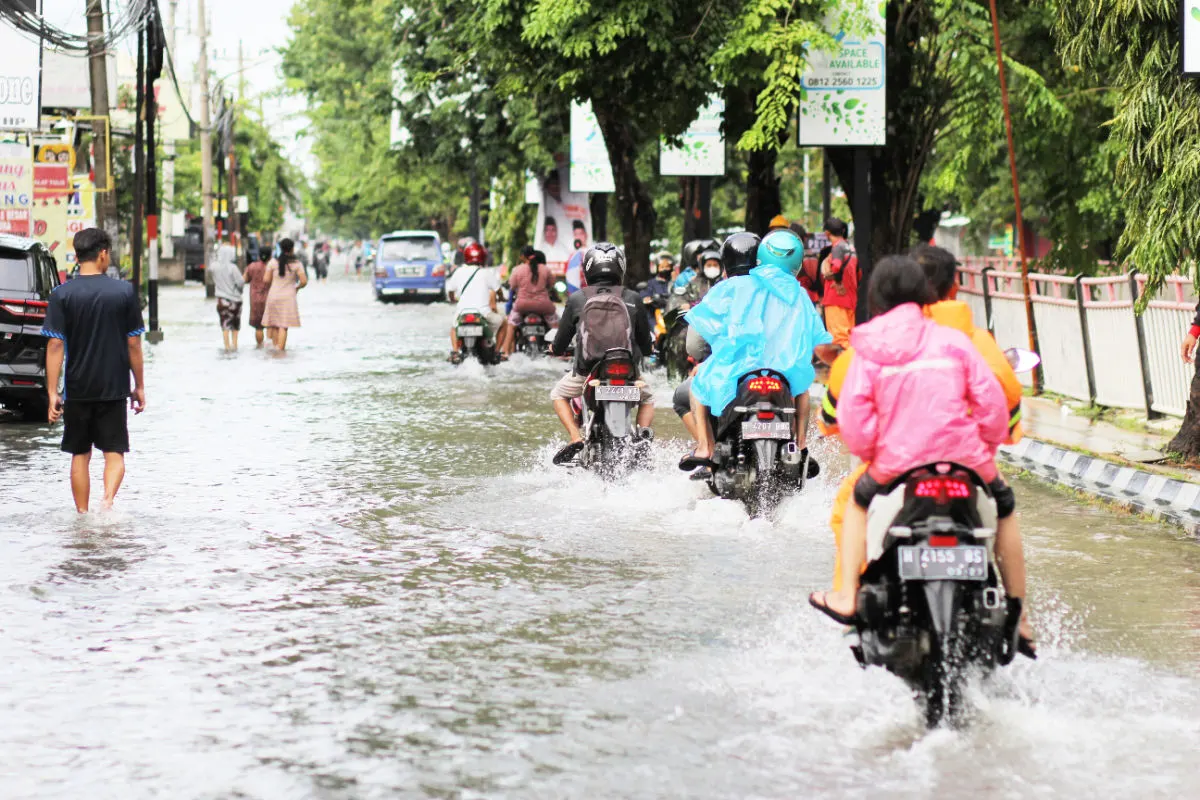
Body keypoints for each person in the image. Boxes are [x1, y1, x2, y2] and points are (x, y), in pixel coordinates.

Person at [815, 245, 1034, 649]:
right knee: (1004, 507)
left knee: (854, 505)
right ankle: (1019, 616)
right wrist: (982, 449)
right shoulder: (960, 341)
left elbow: (854, 425)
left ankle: (847, 595)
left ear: (875, 298)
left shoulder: (865, 348)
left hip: (896, 466)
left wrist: (874, 455)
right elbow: (995, 407)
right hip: (968, 461)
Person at [678, 230, 834, 472]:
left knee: (698, 386)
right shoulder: (799, 293)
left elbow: (703, 330)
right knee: (802, 384)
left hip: (738, 369)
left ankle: (705, 448)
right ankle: (802, 446)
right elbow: (818, 339)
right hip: (785, 372)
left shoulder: (735, 286)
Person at [41, 228, 146, 513]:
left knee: (79, 454)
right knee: (114, 453)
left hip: (77, 388)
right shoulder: (124, 292)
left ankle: (83, 517)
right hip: (113, 387)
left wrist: (53, 392)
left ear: (77, 256)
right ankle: (108, 501)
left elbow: (54, 345)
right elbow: (134, 343)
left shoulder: (61, 294)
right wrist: (139, 386)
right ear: (102, 254)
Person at [549, 243, 655, 464]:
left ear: (588, 269)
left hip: (587, 371)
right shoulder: (633, 298)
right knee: (649, 398)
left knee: (558, 395)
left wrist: (553, 349)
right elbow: (646, 346)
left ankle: (575, 437)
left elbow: (559, 345)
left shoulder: (578, 298)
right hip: (628, 373)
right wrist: (649, 349)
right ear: (620, 267)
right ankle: (643, 435)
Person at [447, 241, 506, 359]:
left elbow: (450, 291)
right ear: (483, 257)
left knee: (454, 328)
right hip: (483, 313)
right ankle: (496, 353)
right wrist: (501, 297)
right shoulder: (486, 273)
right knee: (504, 323)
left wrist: (453, 299)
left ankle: (455, 353)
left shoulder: (459, 271)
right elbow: (498, 289)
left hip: (462, 312)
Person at [503, 249, 558, 355]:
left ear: (524, 257)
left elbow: (512, 286)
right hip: (543, 306)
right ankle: (560, 351)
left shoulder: (518, 269)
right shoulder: (545, 269)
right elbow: (551, 284)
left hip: (522, 306)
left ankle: (505, 352)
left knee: (511, 325)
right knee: (557, 326)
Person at [262, 238, 308, 351]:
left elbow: (266, 280)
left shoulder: (272, 262)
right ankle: (280, 352)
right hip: (288, 297)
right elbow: (303, 281)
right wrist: (297, 288)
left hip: (274, 295)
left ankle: (275, 350)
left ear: (281, 248)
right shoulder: (297, 264)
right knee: (283, 326)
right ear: (292, 249)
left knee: (274, 324)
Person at [820, 217, 858, 348]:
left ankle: (843, 367)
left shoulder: (837, 248)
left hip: (836, 298)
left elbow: (836, 266)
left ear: (827, 233)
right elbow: (859, 273)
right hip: (850, 299)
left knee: (839, 339)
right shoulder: (851, 248)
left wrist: (838, 282)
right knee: (849, 338)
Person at [210, 242, 245, 351]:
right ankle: (235, 346)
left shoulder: (214, 267)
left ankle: (226, 347)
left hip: (222, 301)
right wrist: (239, 290)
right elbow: (241, 282)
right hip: (235, 301)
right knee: (235, 326)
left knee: (225, 324)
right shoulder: (233, 268)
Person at [243, 247, 271, 348]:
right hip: (270, 298)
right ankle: (270, 348)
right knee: (271, 325)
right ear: (270, 256)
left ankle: (259, 347)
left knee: (259, 327)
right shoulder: (271, 267)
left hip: (255, 300)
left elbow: (244, 280)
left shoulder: (252, 266)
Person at [640, 253, 675, 326]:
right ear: (657, 268)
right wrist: (647, 298)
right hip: (655, 317)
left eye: (667, 267)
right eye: (662, 267)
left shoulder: (675, 282)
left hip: (672, 315)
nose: (665, 269)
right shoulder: (651, 283)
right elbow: (644, 296)